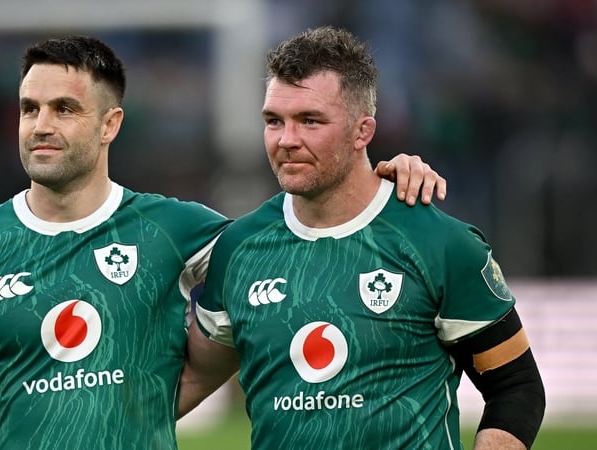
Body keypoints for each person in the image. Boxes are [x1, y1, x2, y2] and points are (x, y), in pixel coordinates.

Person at [0, 35, 445, 450]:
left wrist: (381, 179)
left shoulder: (177, 230)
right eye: (30, 108)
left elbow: (306, 235)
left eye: (65, 109)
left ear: (109, 124)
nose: (41, 124)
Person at [179, 26, 545, 450]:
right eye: (274, 121)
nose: (287, 140)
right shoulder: (239, 247)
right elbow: (191, 378)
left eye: (310, 121)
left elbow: (517, 387)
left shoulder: (440, 244)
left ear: (362, 132)